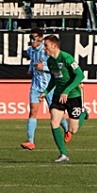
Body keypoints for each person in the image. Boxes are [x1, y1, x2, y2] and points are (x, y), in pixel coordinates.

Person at [40, 34, 88, 163]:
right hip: (58, 96)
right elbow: (54, 79)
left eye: (46, 45)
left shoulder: (67, 58)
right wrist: (46, 91)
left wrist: (67, 91)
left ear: (54, 46)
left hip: (73, 96)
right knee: (54, 122)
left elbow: (80, 75)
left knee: (73, 129)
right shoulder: (50, 62)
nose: (44, 48)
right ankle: (63, 154)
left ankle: (83, 114)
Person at [21, 30, 68, 150]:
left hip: (49, 86)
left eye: (34, 39)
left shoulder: (47, 51)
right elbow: (32, 60)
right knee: (33, 111)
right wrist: (30, 69)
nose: (32, 41)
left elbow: (57, 67)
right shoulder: (30, 50)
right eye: (31, 38)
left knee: (55, 112)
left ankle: (67, 129)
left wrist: (44, 68)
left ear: (41, 39)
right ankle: (30, 141)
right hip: (36, 86)